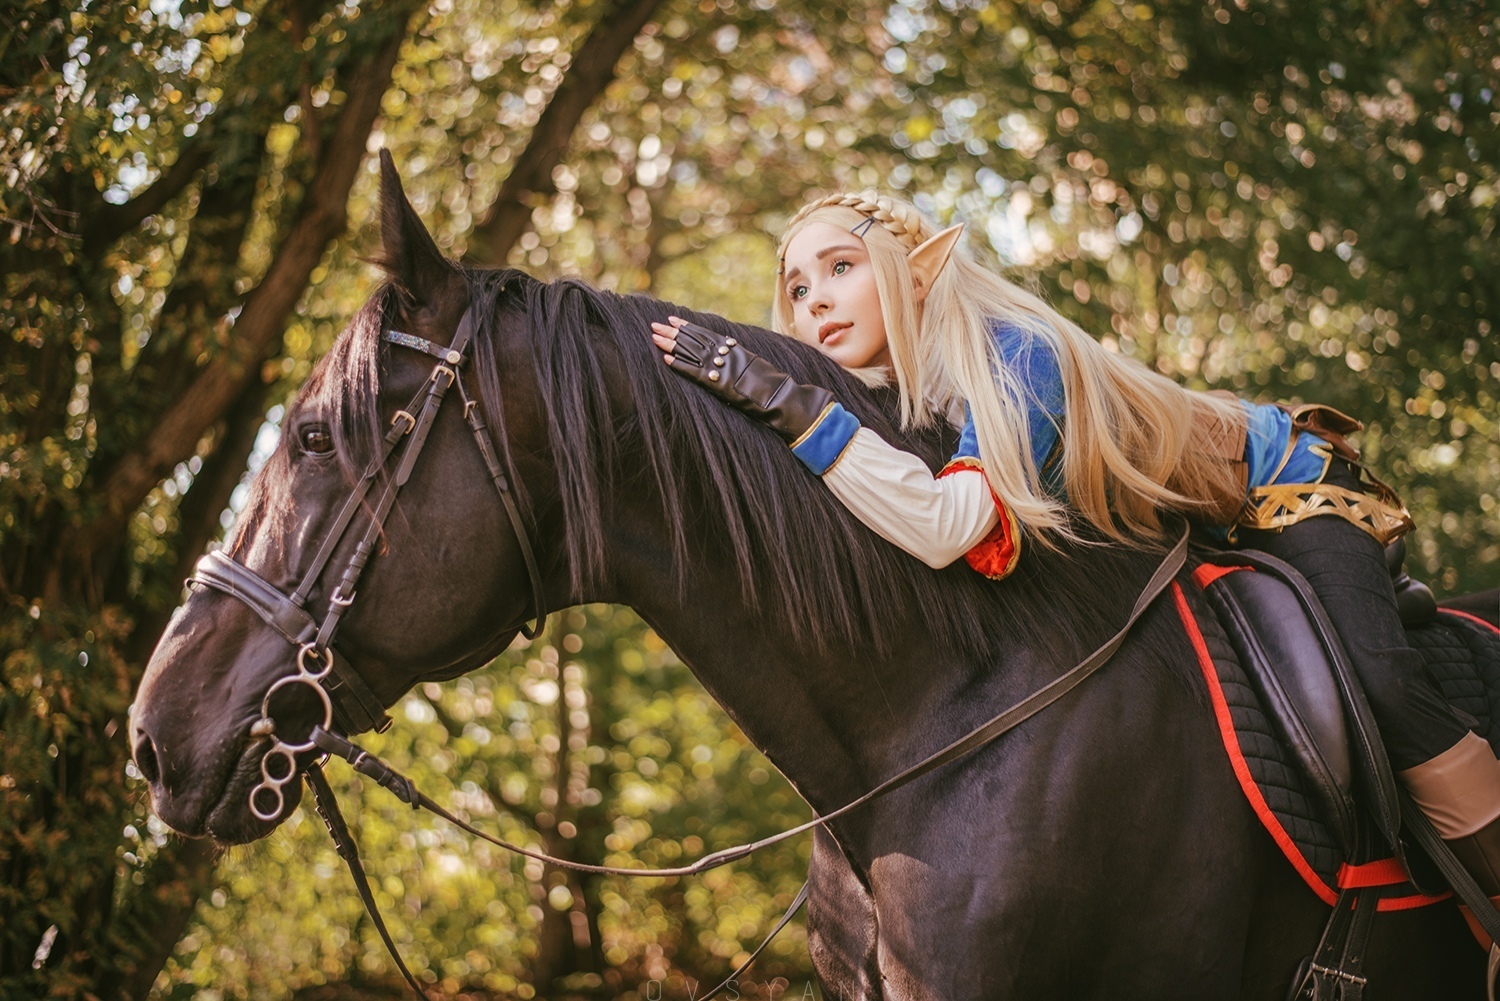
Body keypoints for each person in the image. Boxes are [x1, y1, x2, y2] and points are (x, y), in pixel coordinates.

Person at [647, 189, 1500, 923]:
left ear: (912, 274)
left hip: (1283, 491)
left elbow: (952, 526)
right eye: (796, 288)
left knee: (1380, 676)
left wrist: (783, 401)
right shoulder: (903, 399)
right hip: (1183, 538)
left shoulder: (1015, 354)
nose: (814, 302)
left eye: (840, 268)